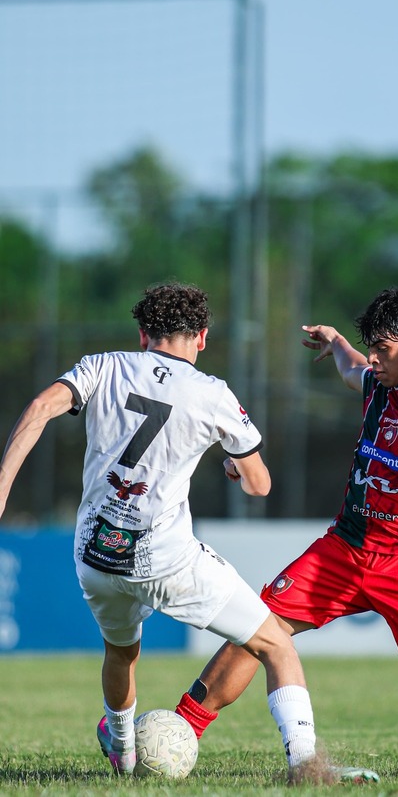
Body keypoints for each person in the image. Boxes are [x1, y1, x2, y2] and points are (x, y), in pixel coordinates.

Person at [175, 286, 398, 778]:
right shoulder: (376, 380)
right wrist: (337, 343)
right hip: (345, 547)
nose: (373, 359)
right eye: (371, 348)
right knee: (257, 628)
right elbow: (352, 368)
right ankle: (180, 730)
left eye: (383, 349)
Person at [0, 282, 324, 781]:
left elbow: (41, 407)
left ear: (142, 334)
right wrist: (234, 467)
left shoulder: (102, 366)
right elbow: (259, 485)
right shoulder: (213, 393)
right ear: (202, 337)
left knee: (121, 653)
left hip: (94, 555)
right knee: (275, 644)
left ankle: (125, 751)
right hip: (167, 560)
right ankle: (305, 764)